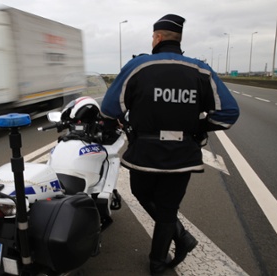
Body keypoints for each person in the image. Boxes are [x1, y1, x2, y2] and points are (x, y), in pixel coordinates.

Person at [100, 14, 240, 274]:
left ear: (158, 37)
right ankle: (159, 262)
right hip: (183, 155)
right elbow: (228, 113)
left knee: (142, 193)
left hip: (144, 153)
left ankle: (181, 238)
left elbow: (109, 109)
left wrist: (119, 123)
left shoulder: (139, 66)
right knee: (168, 208)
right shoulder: (200, 70)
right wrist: (198, 128)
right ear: (179, 39)